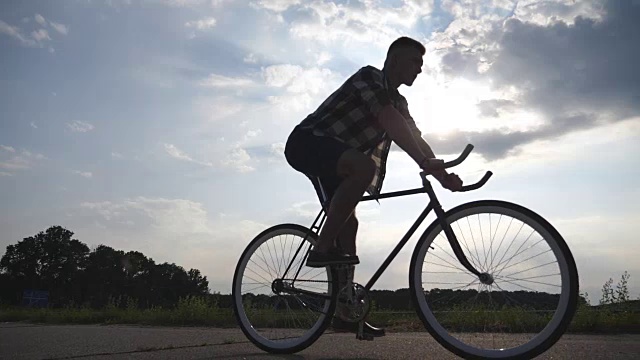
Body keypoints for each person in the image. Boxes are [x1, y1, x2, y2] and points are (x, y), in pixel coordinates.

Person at [284, 36, 463, 337]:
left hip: (340, 161)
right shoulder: (370, 76)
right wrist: (423, 161)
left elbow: (413, 135)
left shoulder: (400, 101)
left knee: (349, 225)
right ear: (394, 60)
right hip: (308, 141)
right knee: (364, 168)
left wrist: (441, 173)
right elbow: (387, 117)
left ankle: (345, 312)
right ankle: (320, 248)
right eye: (415, 62)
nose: (420, 69)